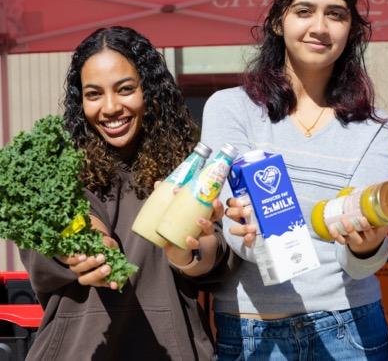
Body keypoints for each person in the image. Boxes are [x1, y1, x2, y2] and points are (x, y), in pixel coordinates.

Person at [200, 0, 388, 360]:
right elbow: (234, 234)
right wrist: (249, 234)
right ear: (278, 21)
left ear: (351, 29)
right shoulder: (230, 109)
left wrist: (367, 245)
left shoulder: (375, 129)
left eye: (335, 14)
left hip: (350, 328)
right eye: (304, 11)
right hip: (253, 329)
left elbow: (360, 263)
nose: (319, 27)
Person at [20, 26, 234, 360]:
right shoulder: (58, 172)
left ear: (150, 90)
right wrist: (83, 248)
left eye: (125, 89)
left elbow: (214, 256)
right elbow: (62, 233)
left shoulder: (189, 170)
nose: (110, 107)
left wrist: (190, 250)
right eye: (94, 94)